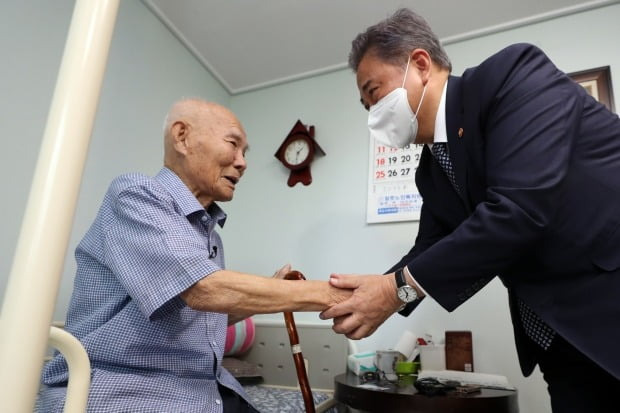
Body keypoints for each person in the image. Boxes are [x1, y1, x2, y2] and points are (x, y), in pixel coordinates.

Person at [320, 8, 620, 412]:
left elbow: (520, 209)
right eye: (365, 104)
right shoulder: (431, 171)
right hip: (556, 340)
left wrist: (394, 291)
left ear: (421, 64)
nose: (372, 112)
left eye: (374, 92)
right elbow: (429, 248)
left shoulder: (512, 77)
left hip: (606, 305)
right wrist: (369, 293)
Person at [37, 98, 351, 412]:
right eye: (233, 144)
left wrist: (273, 287)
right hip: (126, 390)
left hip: (202, 389)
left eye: (245, 153)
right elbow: (202, 290)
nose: (242, 162)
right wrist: (332, 295)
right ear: (182, 137)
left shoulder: (210, 234)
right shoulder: (134, 194)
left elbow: (204, 311)